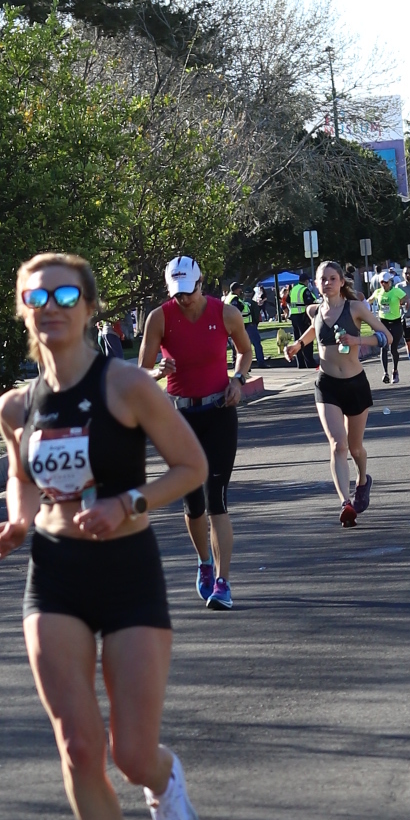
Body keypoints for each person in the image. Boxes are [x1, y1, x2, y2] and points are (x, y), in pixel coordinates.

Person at [0, 253, 207, 820]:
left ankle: (163, 782)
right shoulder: (16, 407)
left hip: (128, 569)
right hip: (55, 574)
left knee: (130, 751)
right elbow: (22, 478)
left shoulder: (127, 385)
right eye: (36, 297)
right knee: (79, 747)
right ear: (24, 310)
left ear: (88, 307)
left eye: (64, 295)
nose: (50, 307)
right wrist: (17, 522)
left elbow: (191, 466)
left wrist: (127, 503)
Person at [137, 253, 254, 608]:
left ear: (201, 284)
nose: (184, 298)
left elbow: (245, 351)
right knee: (193, 503)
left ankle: (223, 582)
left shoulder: (225, 313)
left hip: (219, 412)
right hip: (180, 418)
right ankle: (204, 562)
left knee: (216, 497)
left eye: (189, 291)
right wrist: (158, 371)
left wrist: (238, 379)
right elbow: (141, 371)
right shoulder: (159, 318)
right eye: (178, 293)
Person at [307, 259, 382, 525]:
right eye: (322, 279)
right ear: (316, 284)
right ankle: (345, 503)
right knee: (338, 445)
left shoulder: (356, 308)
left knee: (355, 447)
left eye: (332, 278)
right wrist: (297, 345)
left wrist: (356, 340)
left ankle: (362, 480)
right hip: (327, 385)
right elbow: (315, 331)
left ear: (341, 282)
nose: (327, 283)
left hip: (355, 385)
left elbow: (385, 336)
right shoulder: (314, 311)